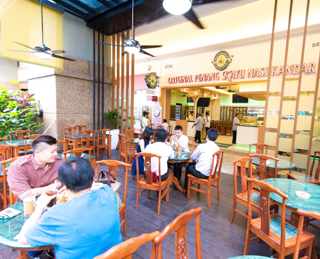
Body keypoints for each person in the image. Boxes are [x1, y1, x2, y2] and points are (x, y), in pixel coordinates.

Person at [18, 157, 122, 259]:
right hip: (114, 255)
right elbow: (101, 186)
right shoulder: (107, 192)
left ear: (65, 186)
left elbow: (22, 239)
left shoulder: (57, 214)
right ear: (92, 177)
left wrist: (40, 206)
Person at [8, 135, 64, 201]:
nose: (55, 154)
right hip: (29, 204)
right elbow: (25, 194)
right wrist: (56, 185)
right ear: (38, 153)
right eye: (52, 152)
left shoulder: (58, 162)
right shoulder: (19, 167)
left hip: (53, 200)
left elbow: (67, 180)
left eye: (56, 151)